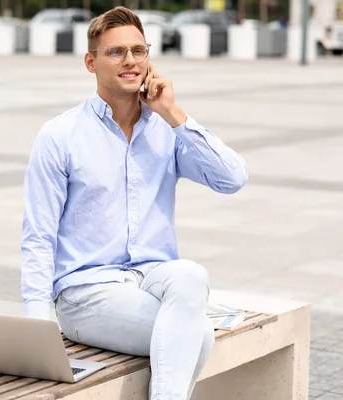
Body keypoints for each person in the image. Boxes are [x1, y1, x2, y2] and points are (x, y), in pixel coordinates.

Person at [20, 6, 248, 400]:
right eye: (116, 52)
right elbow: (39, 235)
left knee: (190, 274)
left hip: (153, 280)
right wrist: (37, 327)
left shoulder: (166, 128)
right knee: (198, 335)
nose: (130, 61)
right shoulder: (60, 136)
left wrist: (173, 113)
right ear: (91, 62)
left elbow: (232, 178)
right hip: (86, 292)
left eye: (139, 51)